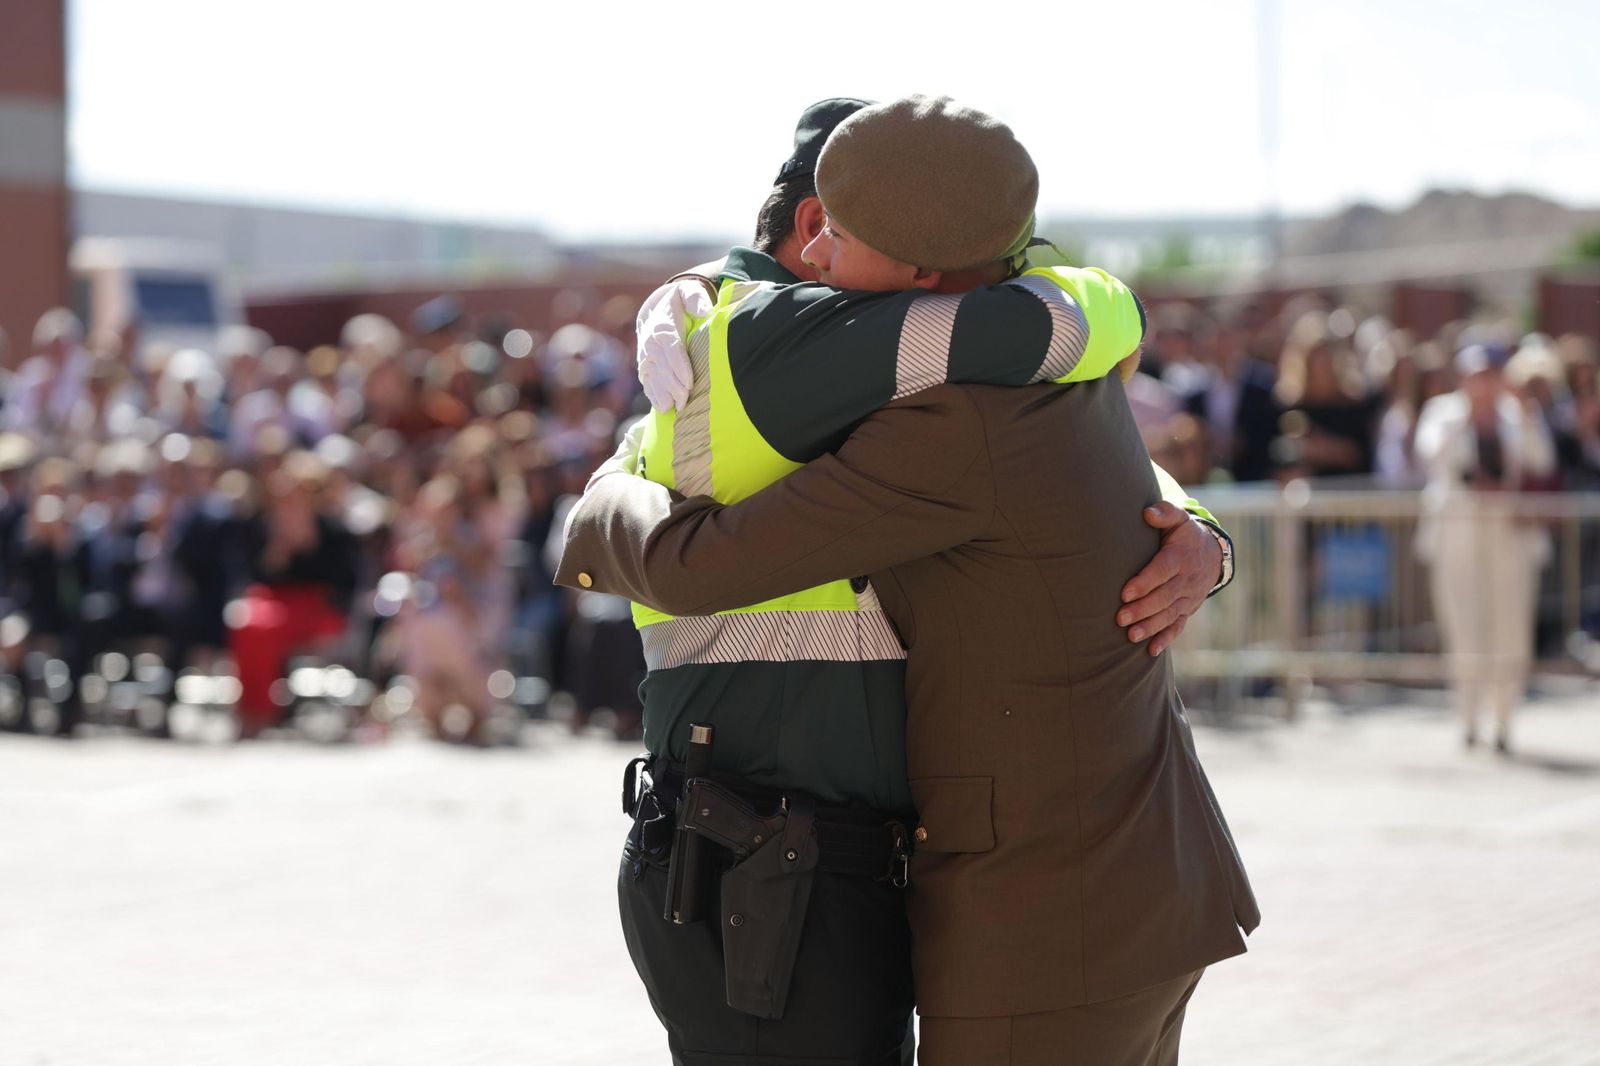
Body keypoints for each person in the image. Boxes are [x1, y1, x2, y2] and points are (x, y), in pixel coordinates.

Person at [561, 96, 1250, 1066]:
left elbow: (700, 558)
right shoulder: (992, 358)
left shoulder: (952, 399)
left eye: (846, 238)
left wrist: (593, 518)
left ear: (927, 269)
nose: (825, 264)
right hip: (785, 865)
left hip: (1040, 905)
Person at [1415, 343, 1556, 753]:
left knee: (1510, 625)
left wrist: (1522, 416)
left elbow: (1542, 461)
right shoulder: (1443, 412)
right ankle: (1468, 718)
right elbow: (1430, 453)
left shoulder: (1517, 414)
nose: (1484, 382)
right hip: (1458, 533)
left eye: (1490, 373)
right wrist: (1470, 419)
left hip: (1507, 535)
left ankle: (1505, 720)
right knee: (1463, 625)